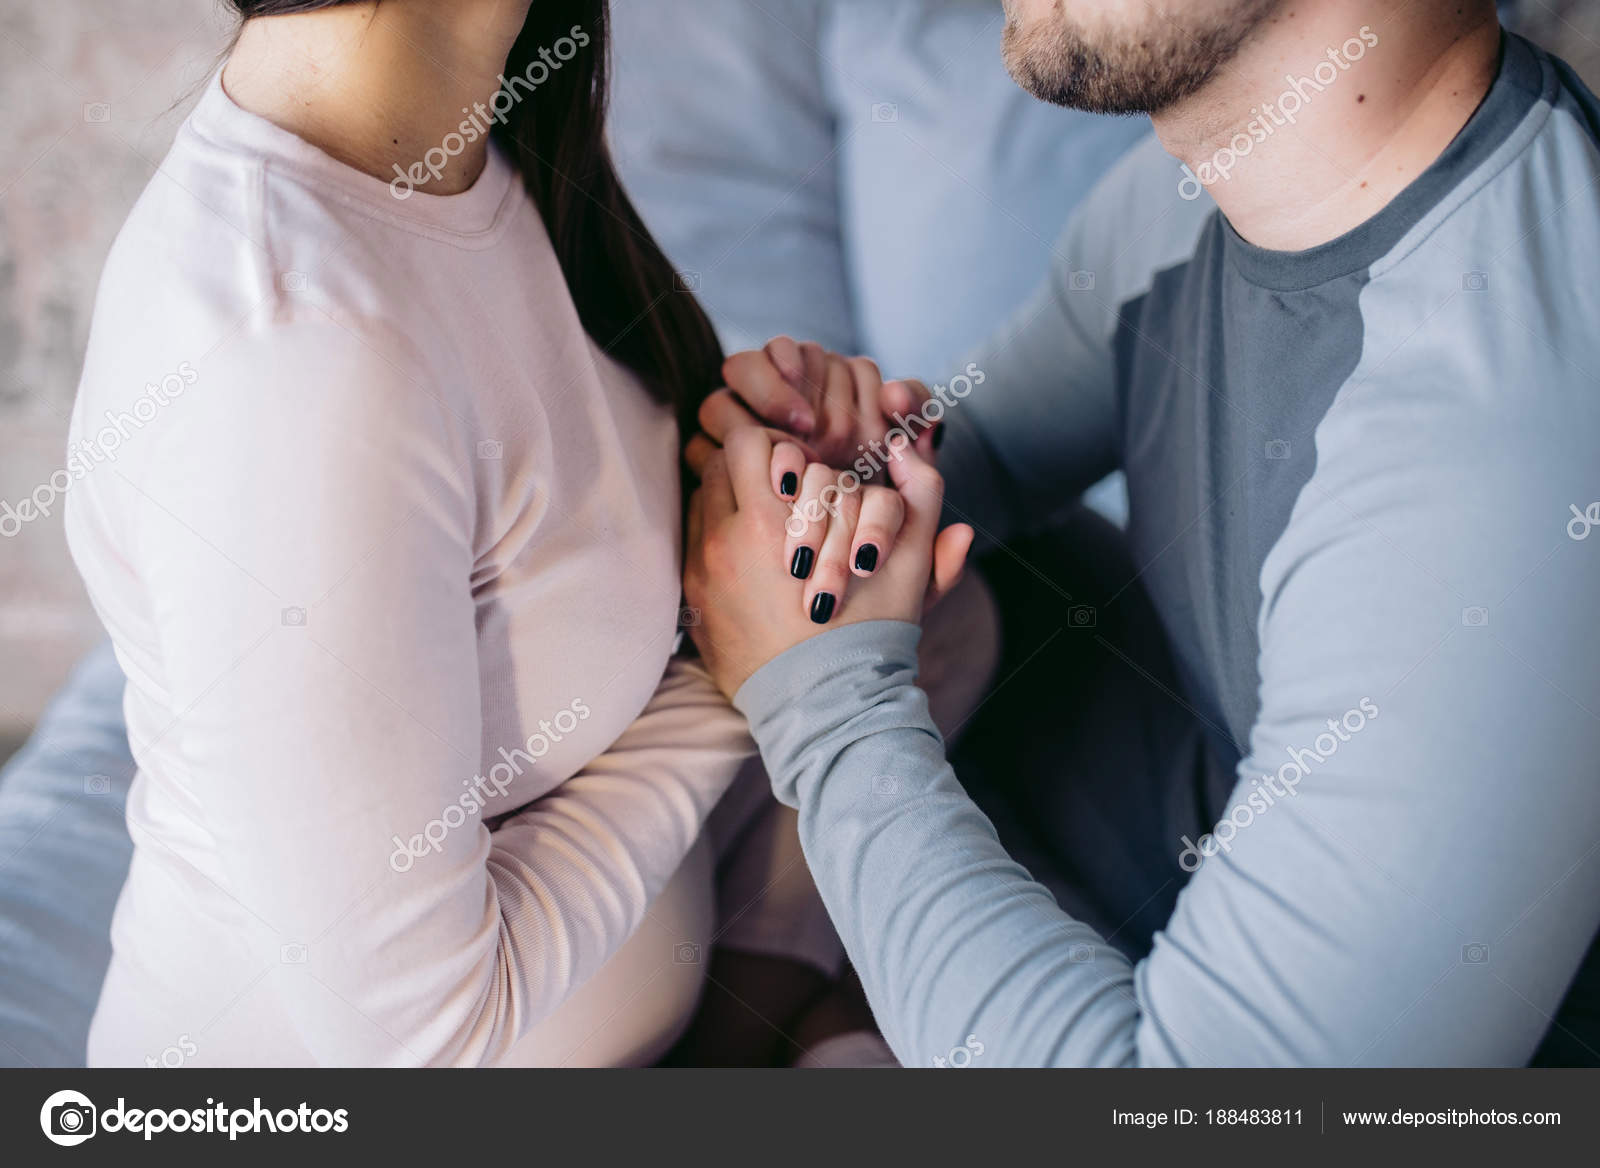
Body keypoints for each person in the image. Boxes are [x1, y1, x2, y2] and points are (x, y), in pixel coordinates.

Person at [686, 0, 1600, 1065]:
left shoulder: (1493, 450)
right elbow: (993, 460)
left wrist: (829, 706)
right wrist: (850, 469)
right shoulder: (1206, 198)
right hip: (1185, 845)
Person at [59, 0, 860, 1068]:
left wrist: (753, 464)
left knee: (959, 611)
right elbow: (421, 1039)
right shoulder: (295, 352)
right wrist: (753, 657)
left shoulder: (470, 148)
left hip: (651, 1012)